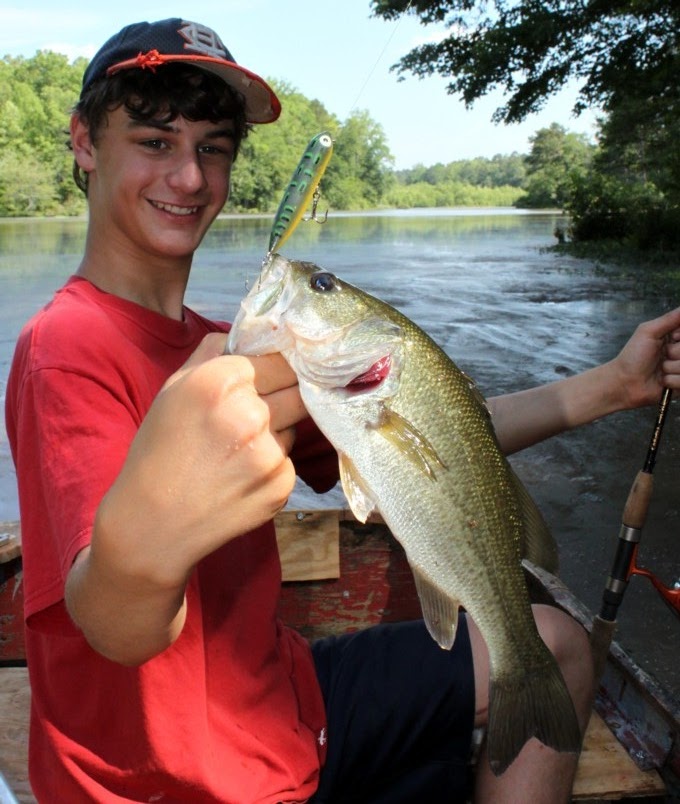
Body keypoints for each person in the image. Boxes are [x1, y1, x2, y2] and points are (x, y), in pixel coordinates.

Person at [5, 16, 680, 804]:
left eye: (213, 148)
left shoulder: (224, 343)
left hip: (284, 694)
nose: (189, 177)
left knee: (556, 647)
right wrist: (141, 546)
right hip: (188, 777)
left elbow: (431, 444)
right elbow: (112, 622)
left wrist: (614, 386)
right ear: (84, 141)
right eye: (155, 142)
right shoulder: (66, 345)